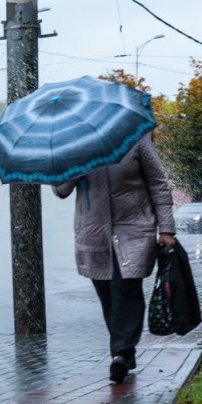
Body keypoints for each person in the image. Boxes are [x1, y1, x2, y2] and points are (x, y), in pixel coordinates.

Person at [53, 132, 176, 384]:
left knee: (126, 288)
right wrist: (76, 164)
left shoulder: (135, 139)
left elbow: (158, 183)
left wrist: (166, 228)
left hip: (134, 228)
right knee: (107, 293)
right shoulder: (74, 144)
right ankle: (125, 351)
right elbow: (61, 189)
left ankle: (121, 352)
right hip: (93, 233)